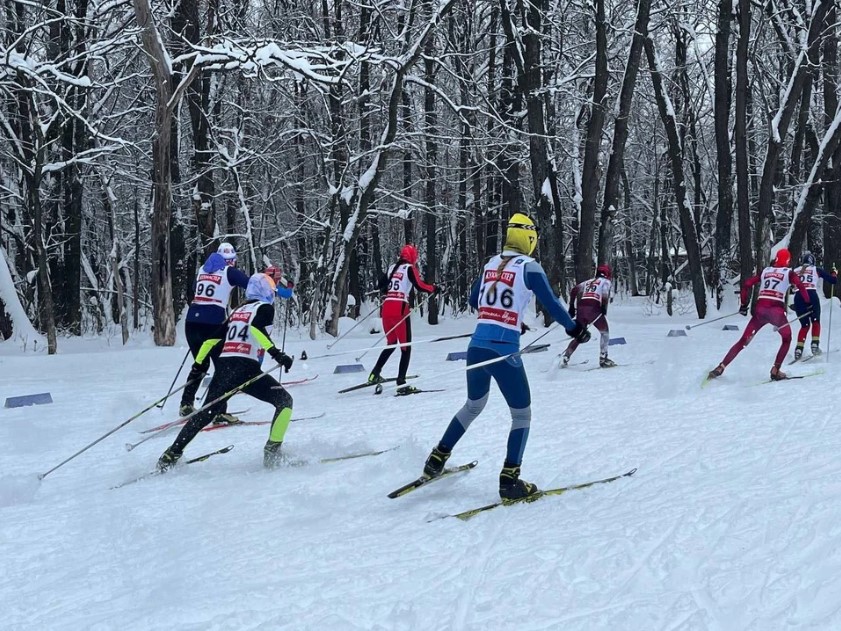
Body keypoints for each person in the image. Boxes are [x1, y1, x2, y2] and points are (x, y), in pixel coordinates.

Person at [421, 214, 591, 500]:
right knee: (522, 413)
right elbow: (551, 303)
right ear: (529, 238)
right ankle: (510, 480)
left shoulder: (490, 263)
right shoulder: (530, 267)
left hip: (476, 346)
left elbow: (475, 300)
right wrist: (575, 329)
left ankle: (436, 460)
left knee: (473, 405)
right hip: (503, 350)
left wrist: (508, 316)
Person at [158, 273, 296, 472]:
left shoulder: (238, 311)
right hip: (245, 368)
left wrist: (197, 366)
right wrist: (277, 354)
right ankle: (272, 454)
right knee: (284, 402)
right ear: (266, 291)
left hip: (224, 368)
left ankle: (171, 454)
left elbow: (210, 341)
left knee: (205, 413)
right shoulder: (264, 308)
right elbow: (257, 329)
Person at [707, 248, 810, 381]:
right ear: (788, 261)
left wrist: (744, 304)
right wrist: (808, 303)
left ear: (776, 259)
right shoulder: (788, 273)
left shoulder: (766, 271)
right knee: (787, 338)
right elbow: (801, 287)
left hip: (760, 311)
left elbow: (747, 283)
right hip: (776, 313)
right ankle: (776, 370)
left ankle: (721, 366)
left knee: (743, 341)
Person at [367, 244, 438, 394]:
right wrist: (433, 288)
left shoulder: (392, 267)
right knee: (406, 347)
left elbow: (381, 285)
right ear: (413, 257)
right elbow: (419, 286)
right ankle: (401, 383)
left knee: (391, 343)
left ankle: (374, 373)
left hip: (386, 309)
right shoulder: (409, 268)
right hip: (400, 308)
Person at [561, 264, 613, 368]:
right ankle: (603, 358)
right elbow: (605, 292)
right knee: (605, 332)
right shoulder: (606, 282)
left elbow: (574, 290)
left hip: (581, 308)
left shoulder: (587, 282)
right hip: (594, 309)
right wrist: (604, 306)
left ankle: (566, 356)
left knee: (580, 334)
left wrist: (571, 306)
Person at [791, 251, 837, 360]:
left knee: (804, 324)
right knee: (815, 321)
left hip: (798, 297)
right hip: (811, 294)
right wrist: (834, 273)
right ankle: (815, 344)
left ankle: (799, 348)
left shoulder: (795, 271)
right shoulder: (816, 269)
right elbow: (832, 280)